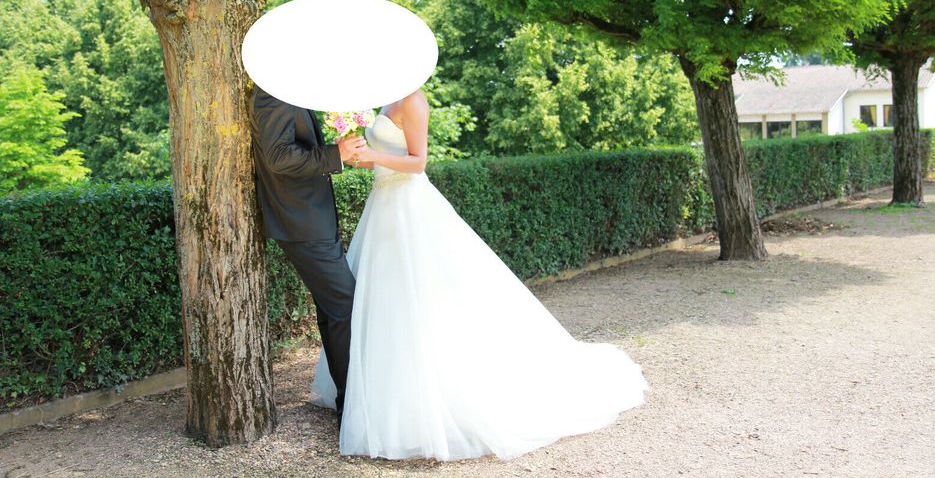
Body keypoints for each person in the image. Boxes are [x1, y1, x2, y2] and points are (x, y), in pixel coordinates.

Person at [308, 87, 649, 460]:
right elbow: (385, 159)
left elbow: (418, 162)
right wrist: (356, 155)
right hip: (382, 209)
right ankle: (378, 392)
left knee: (420, 297)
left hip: (408, 206)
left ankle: (424, 400)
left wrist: (374, 153)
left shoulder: (413, 101)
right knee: (386, 300)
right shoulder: (386, 101)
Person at [247, 83, 366, 428]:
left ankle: (349, 401)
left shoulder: (288, 90)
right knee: (345, 304)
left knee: (334, 309)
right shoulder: (272, 93)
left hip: (311, 217)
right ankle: (352, 405)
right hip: (299, 220)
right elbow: (277, 156)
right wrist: (334, 154)